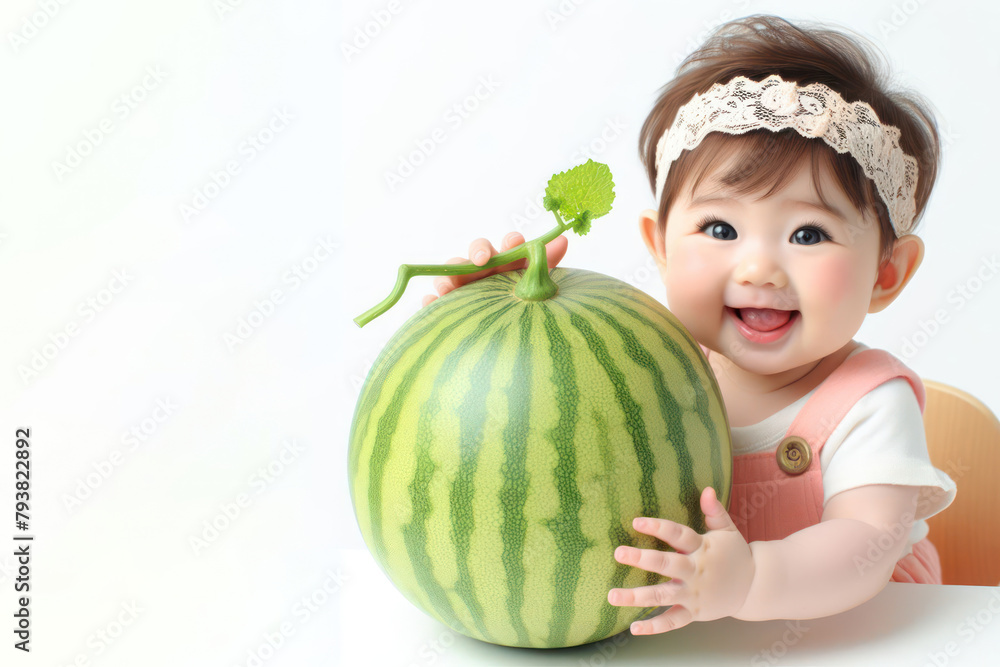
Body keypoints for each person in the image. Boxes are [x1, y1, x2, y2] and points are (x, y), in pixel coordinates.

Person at [420, 15, 956, 634]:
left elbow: (864, 544)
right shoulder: (649, 365)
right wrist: (468, 331)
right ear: (661, 245)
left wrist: (752, 579)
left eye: (809, 233)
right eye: (720, 229)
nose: (759, 268)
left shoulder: (871, 403)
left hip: (848, 638)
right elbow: (523, 428)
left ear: (887, 273)